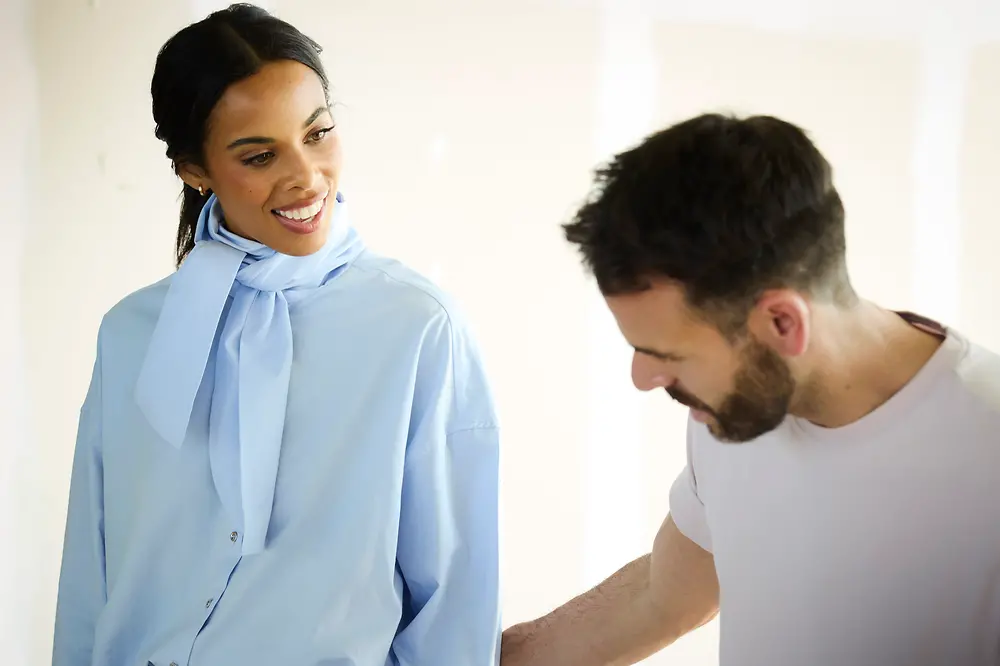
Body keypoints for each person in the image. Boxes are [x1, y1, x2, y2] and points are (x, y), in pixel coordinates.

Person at [52, 5, 501, 665]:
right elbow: (89, 576)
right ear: (193, 171)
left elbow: (456, 601)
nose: (305, 176)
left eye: (318, 133)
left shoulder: (417, 329)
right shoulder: (131, 335)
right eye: (259, 155)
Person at [501, 113, 1000, 665]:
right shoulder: (736, 416)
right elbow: (660, 600)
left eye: (669, 356)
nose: (643, 379)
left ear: (783, 324)